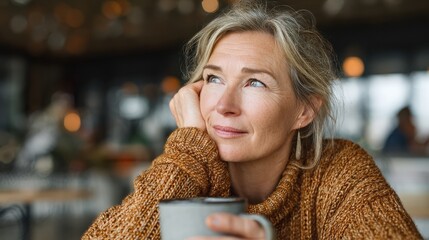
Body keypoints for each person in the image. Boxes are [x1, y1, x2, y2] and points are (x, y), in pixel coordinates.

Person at [82, 1, 422, 239]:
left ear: (304, 111)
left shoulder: (339, 172)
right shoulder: (184, 170)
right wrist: (188, 152)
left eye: (254, 82)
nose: (225, 105)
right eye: (214, 79)